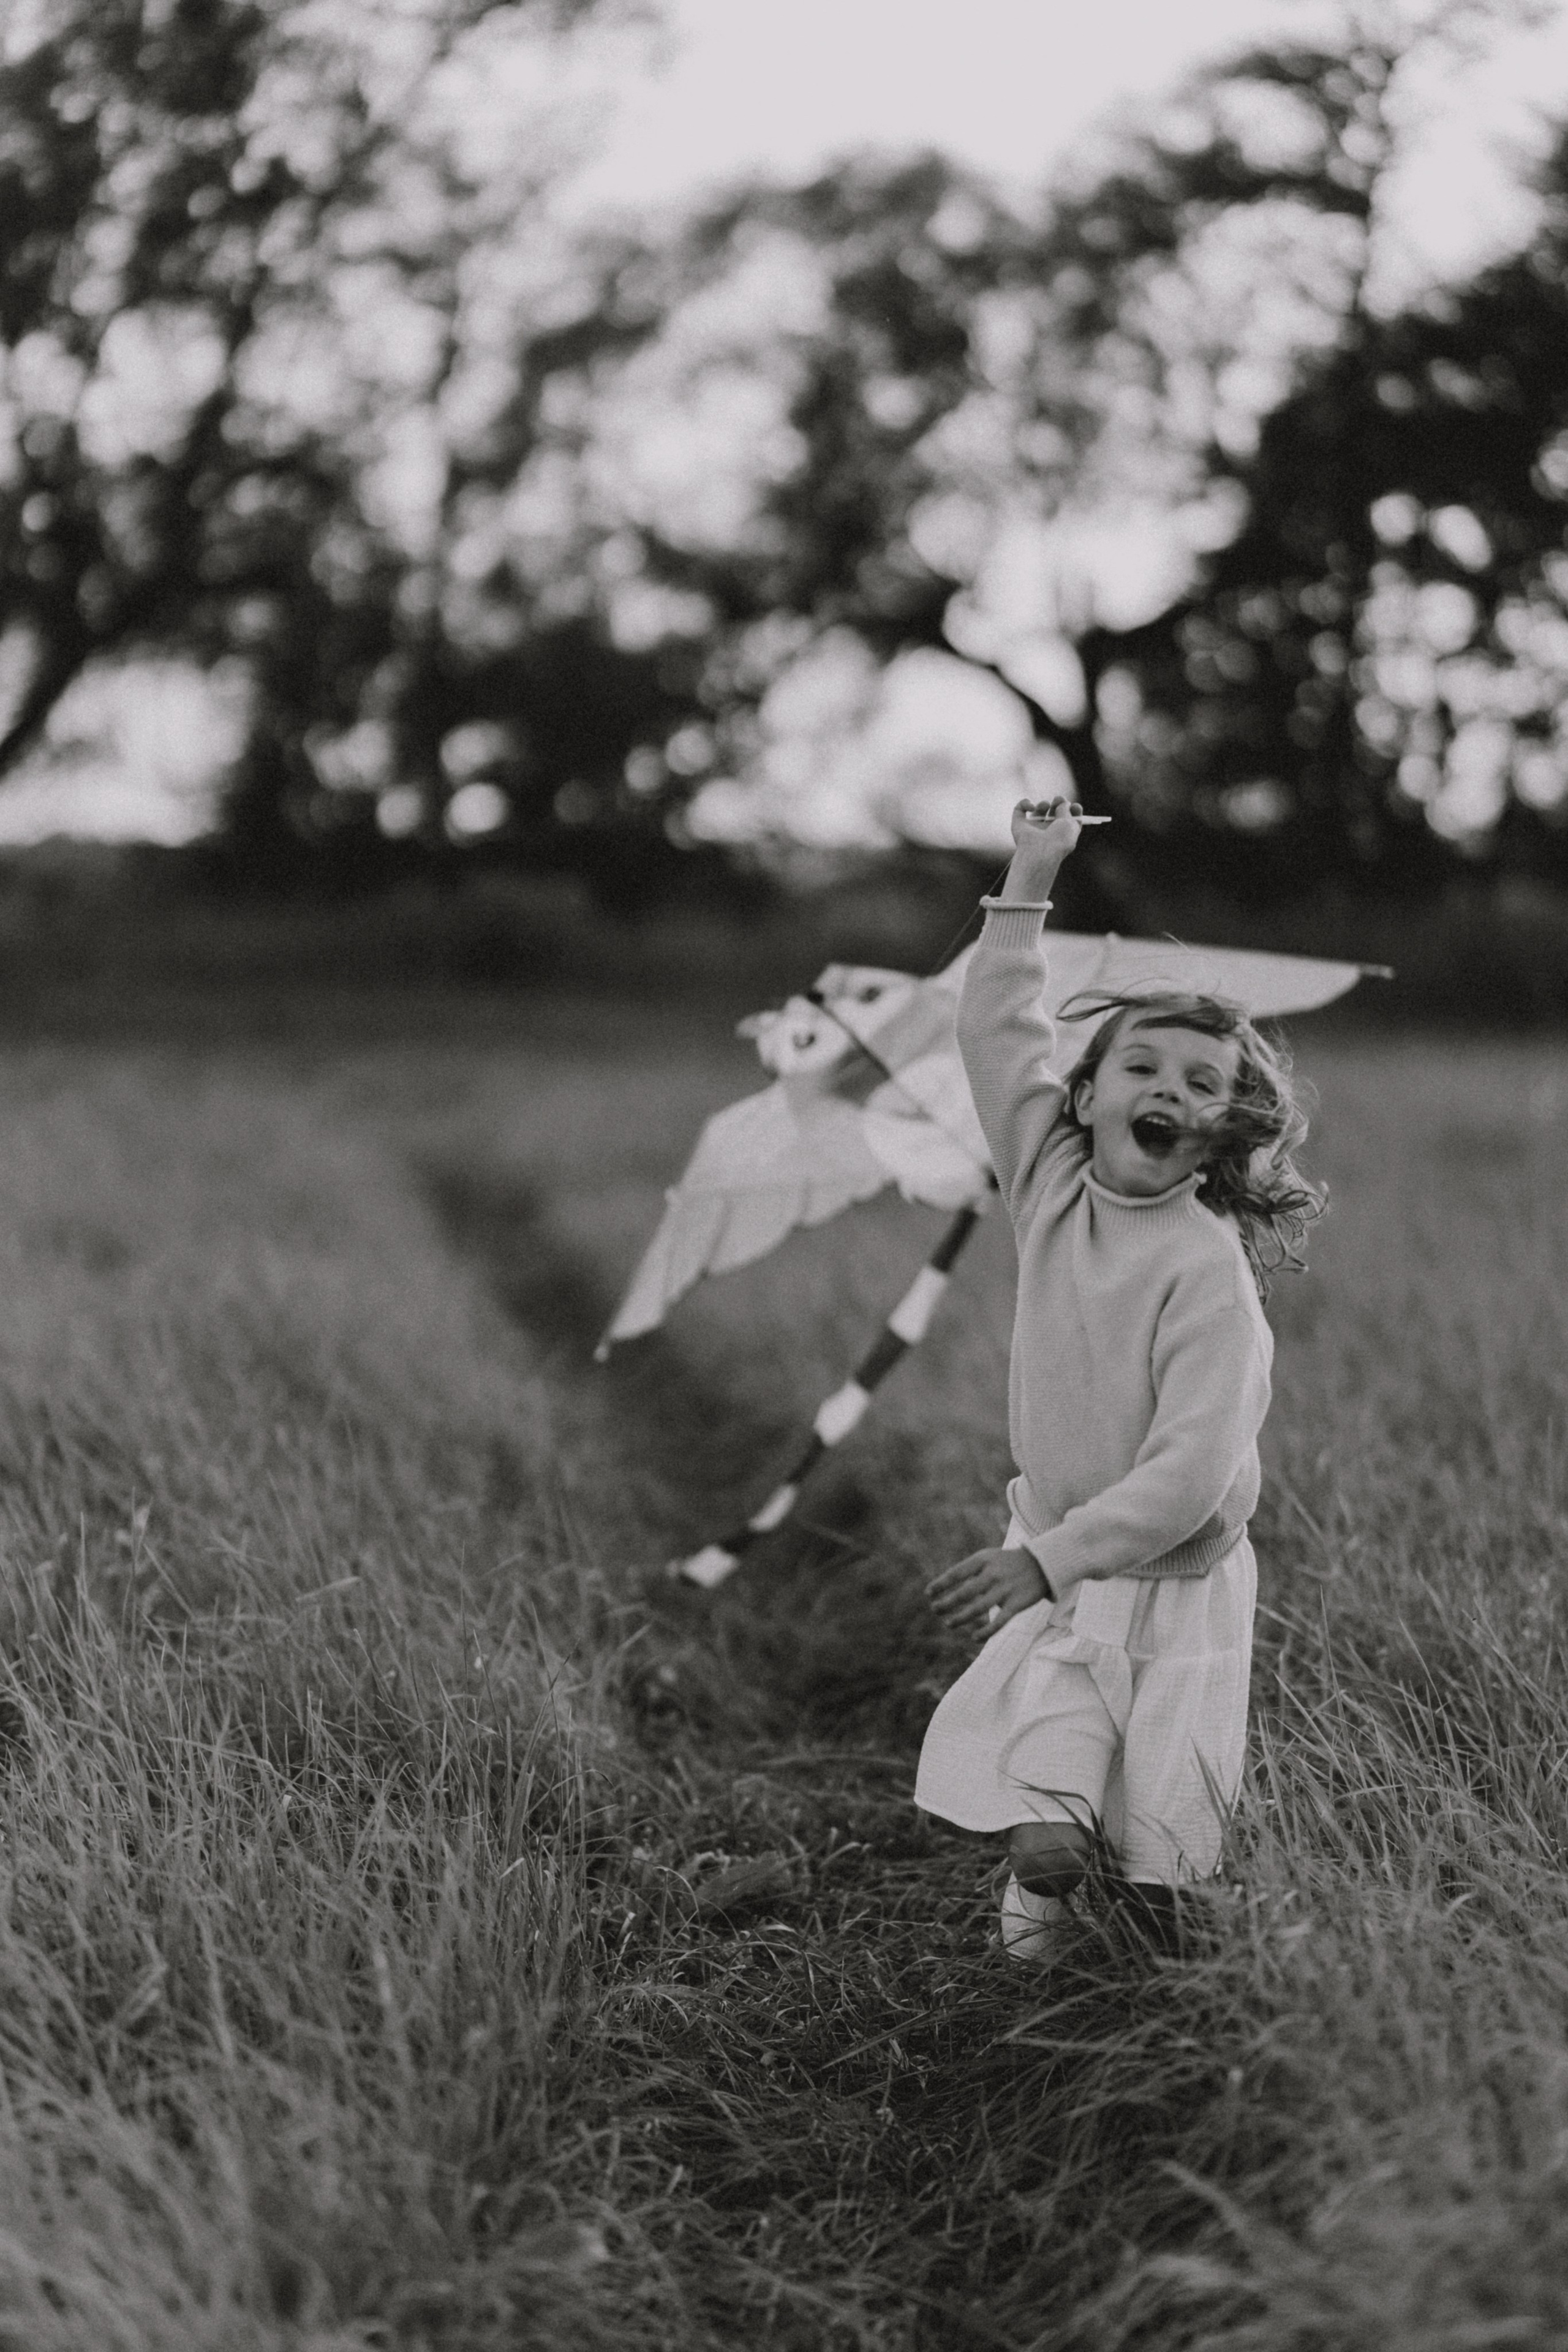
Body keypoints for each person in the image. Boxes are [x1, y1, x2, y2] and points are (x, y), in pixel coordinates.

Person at [916, 795, 1324, 1959]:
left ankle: (1150, 2001)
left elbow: (1193, 1472)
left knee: (1165, 1874)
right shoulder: (1046, 1186)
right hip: (1063, 1576)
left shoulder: (1208, 1279)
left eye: (1201, 1083)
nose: (1168, 1088)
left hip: (1180, 1592)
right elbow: (996, 1031)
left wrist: (1049, 1559)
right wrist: (1031, 869)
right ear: (1084, 1097)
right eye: (1139, 1064)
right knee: (1047, 1834)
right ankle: (1024, 1969)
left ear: (1223, 1131)